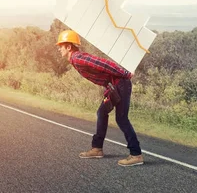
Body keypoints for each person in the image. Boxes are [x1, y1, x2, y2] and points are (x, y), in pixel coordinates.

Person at [56, 29, 144, 167]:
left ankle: (136, 154)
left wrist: (125, 73)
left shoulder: (78, 58)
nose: (59, 49)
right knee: (102, 112)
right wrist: (108, 88)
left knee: (121, 118)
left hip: (121, 84)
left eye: (60, 47)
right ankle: (97, 149)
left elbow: (103, 64)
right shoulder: (75, 59)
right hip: (114, 87)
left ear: (68, 47)